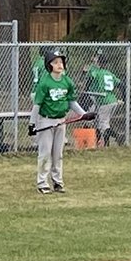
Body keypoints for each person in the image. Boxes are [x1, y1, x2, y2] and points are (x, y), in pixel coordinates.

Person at [29, 48, 90, 194]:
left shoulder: (67, 82)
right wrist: (32, 123)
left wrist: (84, 114)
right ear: (49, 65)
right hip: (46, 121)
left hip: (61, 121)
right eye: (55, 62)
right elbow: (37, 105)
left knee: (58, 153)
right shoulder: (45, 83)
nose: (59, 65)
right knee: (45, 154)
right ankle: (42, 183)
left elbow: (71, 102)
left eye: (61, 62)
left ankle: (57, 182)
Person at [82, 49, 123, 147]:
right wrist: (123, 98)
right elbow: (121, 84)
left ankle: (118, 136)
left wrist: (86, 91)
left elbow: (90, 78)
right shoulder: (109, 73)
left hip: (102, 100)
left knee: (103, 124)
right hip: (112, 99)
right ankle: (105, 144)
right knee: (102, 122)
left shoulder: (96, 71)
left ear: (99, 62)